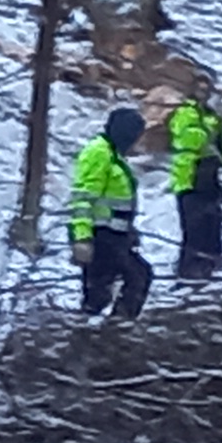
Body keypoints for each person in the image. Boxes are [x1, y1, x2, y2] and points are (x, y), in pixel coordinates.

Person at [69, 103, 153, 322]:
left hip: (115, 235)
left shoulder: (113, 154)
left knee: (126, 280)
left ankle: (108, 328)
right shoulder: (98, 153)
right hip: (101, 236)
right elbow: (83, 199)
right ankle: (107, 330)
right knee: (129, 279)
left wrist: (128, 230)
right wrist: (82, 238)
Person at [164, 87, 222, 284]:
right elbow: (192, 140)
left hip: (209, 179)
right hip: (190, 180)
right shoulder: (185, 113)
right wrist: (211, 128)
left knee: (211, 224)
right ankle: (189, 271)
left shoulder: (213, 118)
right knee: (194, 227)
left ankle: (209, 268)